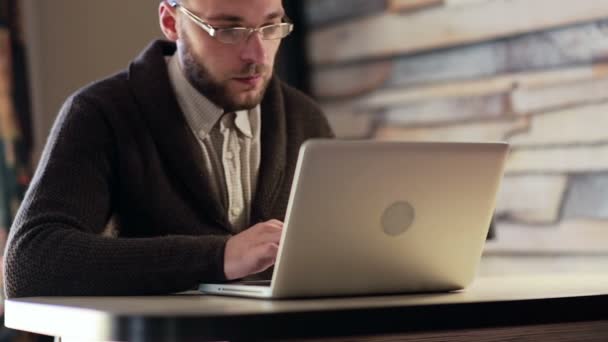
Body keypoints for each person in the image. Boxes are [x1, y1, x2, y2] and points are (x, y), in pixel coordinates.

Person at [3, 0, 333, 298]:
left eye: (271, 27)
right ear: (172, 22)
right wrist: (219, 257)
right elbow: (30, 262)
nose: (257, 55)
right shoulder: (100, 113)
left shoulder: (304, 118)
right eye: (228, 30)